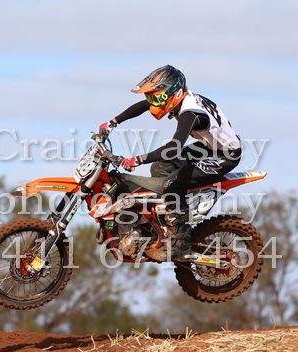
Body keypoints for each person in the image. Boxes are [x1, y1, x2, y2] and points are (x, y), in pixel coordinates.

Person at [99, 65, 241, 261]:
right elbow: (143, 105)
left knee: (172, 184)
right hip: (208, 147)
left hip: (226, 155)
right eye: (152, 97)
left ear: (176, 93)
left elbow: (174, 147)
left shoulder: (190, 113)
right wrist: (113, 122)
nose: (153, 103)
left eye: (157, 98)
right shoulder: (179, 99)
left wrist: (138, 159)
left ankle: (180, 241)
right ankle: (164, 219)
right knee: (160, 167)